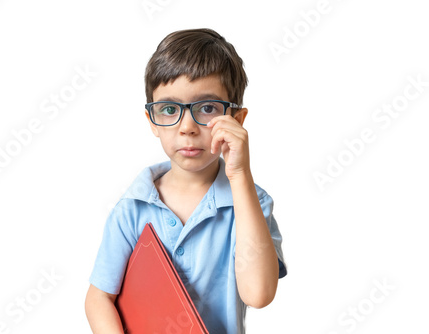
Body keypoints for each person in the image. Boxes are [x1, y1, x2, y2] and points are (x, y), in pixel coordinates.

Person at [85, 27, 287, 334]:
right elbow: (99, 297)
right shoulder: (132, 208)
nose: (187, 127)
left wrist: (239, 175)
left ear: (237, 120)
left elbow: (258, 294)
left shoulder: (251, 203)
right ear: (152, 121)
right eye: (169, 109)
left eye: (207, 108)